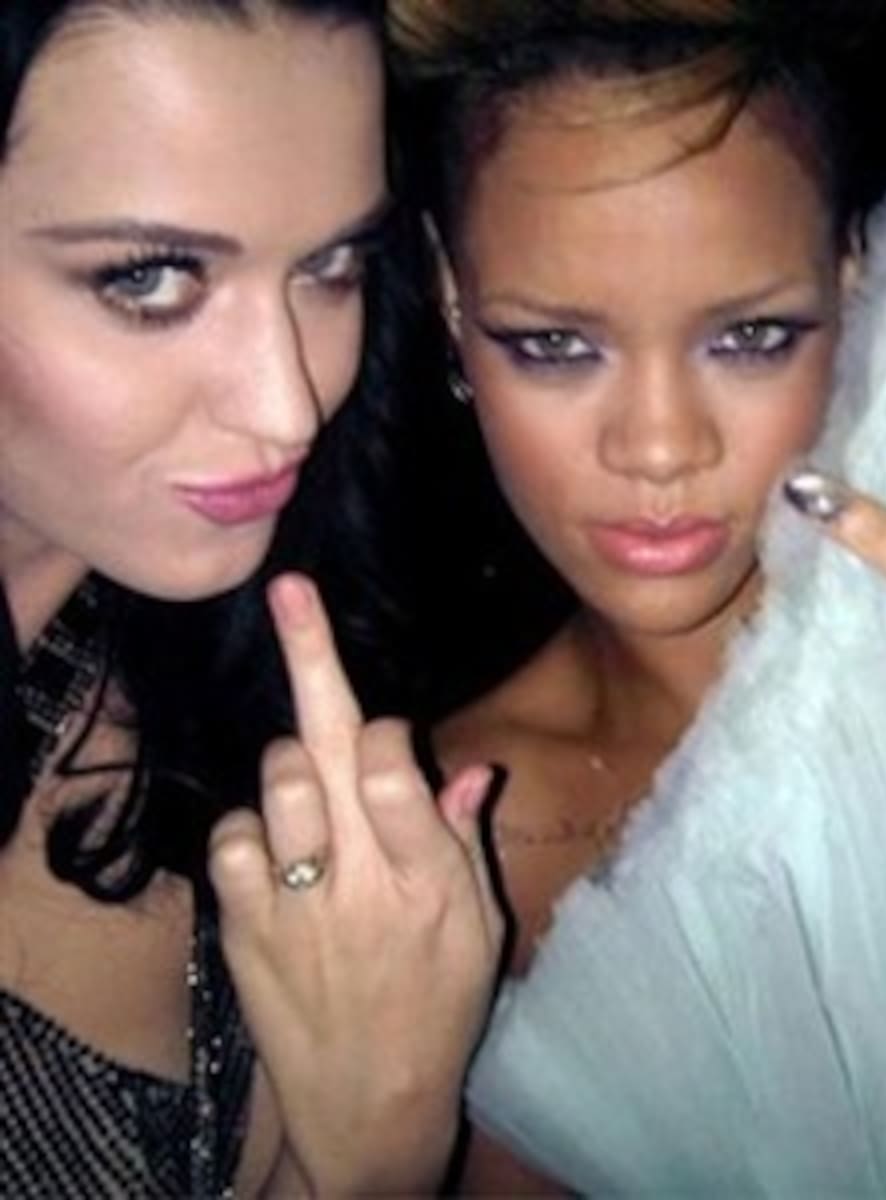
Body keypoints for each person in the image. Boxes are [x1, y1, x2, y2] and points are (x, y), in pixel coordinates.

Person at [389, 1, 886, 1192]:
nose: (659, 446)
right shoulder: (434, 873)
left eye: (752, 336)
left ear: (850, 276)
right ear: (452, 301)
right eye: (556, 346)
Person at [0, 1, 501, 1194]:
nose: (288, 406)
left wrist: (367, 1132)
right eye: (149, 279)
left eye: (331, 267)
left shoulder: (245, 647)